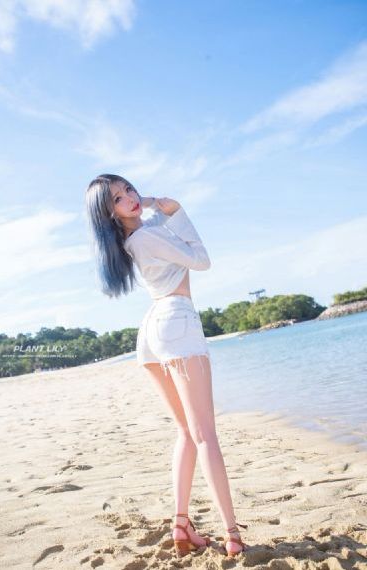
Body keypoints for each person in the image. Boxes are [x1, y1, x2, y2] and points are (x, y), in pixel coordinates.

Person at [85, 173, 249, 558]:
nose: (129, 197)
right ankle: (232, 534)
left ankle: (181, 523)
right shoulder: (146, 237)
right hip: (177, 320)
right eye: (117, 199)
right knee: (205, 434)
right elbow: (202, 260)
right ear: (109, 214)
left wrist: (158, 207)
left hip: (153, 329)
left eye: (128, 189)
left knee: (186, 433)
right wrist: (180, 213)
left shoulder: (134, 239)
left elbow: (159, 225)